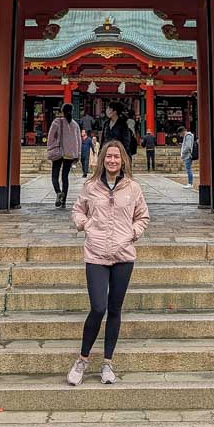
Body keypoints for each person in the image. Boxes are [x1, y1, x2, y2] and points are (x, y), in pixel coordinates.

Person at [67, 140, 150, 385]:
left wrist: (132, 233)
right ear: (102, 159)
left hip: (124, 255)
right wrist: (85, 225)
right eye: (108, 157)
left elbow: (143, 215)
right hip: (96, 253)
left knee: (115, 309)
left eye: (116, 157)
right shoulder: (91, 186)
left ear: (123, 160)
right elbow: (77, 210)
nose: (112, 160)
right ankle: (82, 360)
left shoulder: (133, 188)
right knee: (98, 307)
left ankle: (107, 363)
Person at [47, 102, 82, 207]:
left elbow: (51, 137)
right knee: (65, 177)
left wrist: (50, 148)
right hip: (70, 154)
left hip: (58, 152)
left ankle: (58, 192)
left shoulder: (57, 122)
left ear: (62, 111)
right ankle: (64, 201)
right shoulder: (75, 125)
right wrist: (78, 154)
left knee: (55, 176)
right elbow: (78, 140)